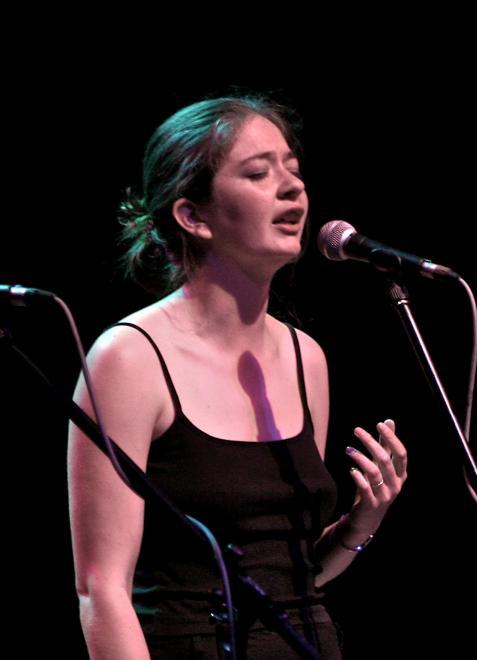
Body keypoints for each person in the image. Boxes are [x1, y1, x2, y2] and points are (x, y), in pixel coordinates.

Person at [68, 96, 408, 659]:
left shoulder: (306, 358)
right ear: (193, 216)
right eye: (257, 173)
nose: (292, 187)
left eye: (293, 171)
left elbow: (289, 579)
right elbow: (102, 590)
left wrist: (360, 524)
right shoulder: (129, 359)